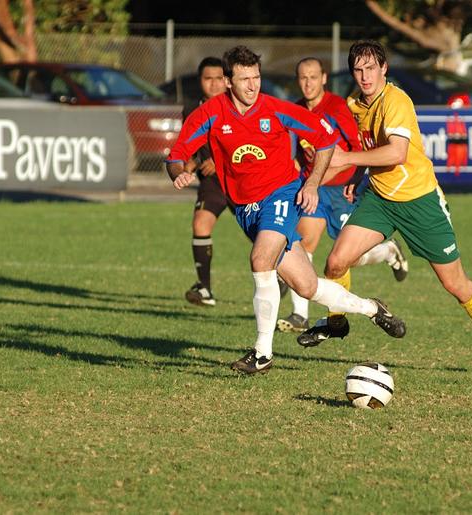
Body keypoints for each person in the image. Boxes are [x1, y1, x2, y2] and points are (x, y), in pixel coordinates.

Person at [166, 45, 406, 375]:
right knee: (306, 286)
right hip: (245, 209)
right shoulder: (209, 114)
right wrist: (180, 173)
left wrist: (310, 185)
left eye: (257, 77)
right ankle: (371, 308)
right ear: (228, 81)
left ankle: (262, 353)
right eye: (244, 79)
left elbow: (325, 141)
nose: (252, 85)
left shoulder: (276, 109)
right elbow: (175, 156)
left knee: (261, 260)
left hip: (282, 194)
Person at [299, 40, 472, 375]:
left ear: (384, 69)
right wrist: (358, 174)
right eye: (358, 69)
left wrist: (348, 160)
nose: (364, 75)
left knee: (455, 284)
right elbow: (369, 147)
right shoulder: (355, 103)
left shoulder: (396, 100)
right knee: (337, 261)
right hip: (380, 200)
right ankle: (336, 323)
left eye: (371, 68)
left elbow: (396, 153)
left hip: (419, 202)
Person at [277, 56, 409, 337]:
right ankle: (300, 314)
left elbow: (357, 148)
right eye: (302, 77)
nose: (308, 83)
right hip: (314, 189)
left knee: (345, 257)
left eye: (313, 77)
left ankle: (387, 251)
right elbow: (301, 152)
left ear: (324, 78)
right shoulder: (298, 110)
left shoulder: (337, 107)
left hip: (340, 187)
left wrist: (354, 178)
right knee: (305, 243)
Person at [183, 57, 229, 307]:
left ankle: (282, 275)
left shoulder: (236, 106)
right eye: (207, 78)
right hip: (212, 182)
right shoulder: (192, 110)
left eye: (219, 78)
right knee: (201, 224)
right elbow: (191, 146)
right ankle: (205, 289)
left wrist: (220, 161)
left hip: (241, 180)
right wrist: (186, 168)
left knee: (261, 236)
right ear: (200, 81)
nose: (213, 84)